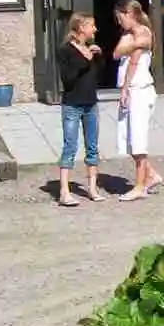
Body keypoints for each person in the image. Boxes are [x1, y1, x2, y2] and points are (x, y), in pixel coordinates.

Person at [112, 0, 163, 201]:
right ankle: (151, 175)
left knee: (138, 141)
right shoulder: (130, 35)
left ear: (129, 14)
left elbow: (133, 63)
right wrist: (131, 43)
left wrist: (125, 89)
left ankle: (140, 186)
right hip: (132, 91)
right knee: (128, 139)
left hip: (138, 90)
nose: (119, 23)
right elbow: (116, 53)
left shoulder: (143, 32)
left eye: (120, 18)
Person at [56, 13, 105, 207]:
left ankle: (92, 189)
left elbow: (97, 75)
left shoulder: (89, 49)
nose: (95, 29)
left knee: (92, 147)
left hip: (91, 104)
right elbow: (68, 78)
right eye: (91, 26)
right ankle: (64, 192)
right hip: (72, 105)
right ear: (81, 27)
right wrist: (86, 59)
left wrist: (98, 57)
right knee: (70, 147)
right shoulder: (65, 50)